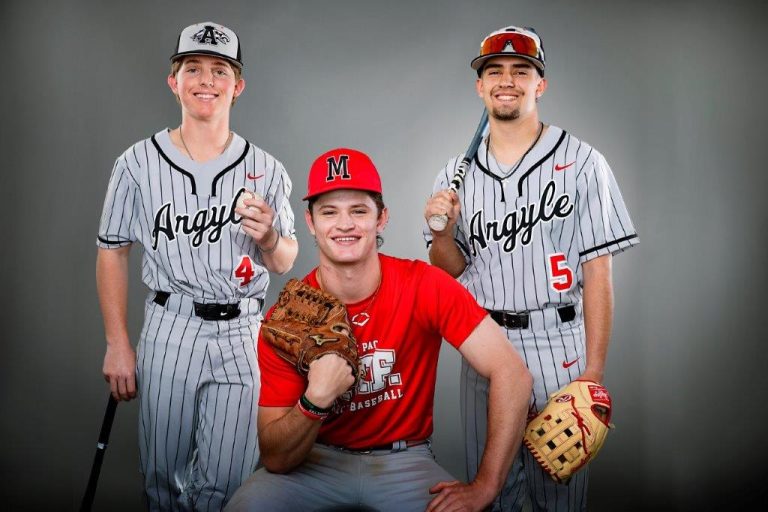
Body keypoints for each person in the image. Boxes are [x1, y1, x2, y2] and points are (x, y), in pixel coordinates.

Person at [226, 148, 532, 511]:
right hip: (315, 461)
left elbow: (513, 374)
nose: (344, 225)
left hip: (404, 459)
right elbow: (276, 458)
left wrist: (485, 486)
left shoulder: (424, 285)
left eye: (358, 211)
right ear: (310, 222)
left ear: (381, 218)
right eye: (329, 212)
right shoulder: (286, 318)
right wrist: (315, 401)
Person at [423, 26, 638, 511]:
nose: (507, 80)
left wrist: (594, 374)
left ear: (540, 84)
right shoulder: (454, 172)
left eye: (521, 71)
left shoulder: (582, 163)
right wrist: (441, 234)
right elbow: (448, 270)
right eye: (494, 71)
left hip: (558, 345)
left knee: (557, 499)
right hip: (484, 343)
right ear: (480, 86)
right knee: (490, 496)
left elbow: (597, 275)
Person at [96, 21, 298, 510]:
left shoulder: (267, 168)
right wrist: (118, 343)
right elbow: (111, 250)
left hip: (244, 332)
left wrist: (269, 234)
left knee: (227, 483)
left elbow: (285, 259)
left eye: (219, 70)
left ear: (237, 85)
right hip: (170, 327)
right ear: (174, 81)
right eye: (193, 69)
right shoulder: (136, 163)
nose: (206, 80)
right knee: (162, 480)